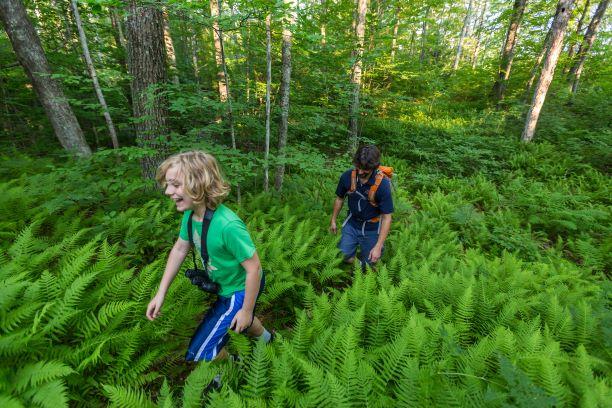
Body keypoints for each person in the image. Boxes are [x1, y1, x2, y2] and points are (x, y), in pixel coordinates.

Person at [146, 151, 272, 363]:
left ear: (198, 183)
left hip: (240, 289)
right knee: (242, 321)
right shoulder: (190, 215)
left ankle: (232, 371)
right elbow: (179, 249)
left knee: (200, 351)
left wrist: (247, 310)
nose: (168, 191)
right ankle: (269, 341)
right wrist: (161, 293)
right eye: (167, 185)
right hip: (226, 286)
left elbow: (254, 269)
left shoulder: (227, 225)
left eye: (175, 185)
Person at [330, 145, 393, 267]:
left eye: (365, 170)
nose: (360, 172)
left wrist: (378, 246)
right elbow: (339, 199)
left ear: (373, 168)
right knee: (342, 255)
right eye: (358, 167)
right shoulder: (347, 177)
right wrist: (333, 220)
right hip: (352, 223)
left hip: (372, 227)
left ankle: (369, 259)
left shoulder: (382, 185)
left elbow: (387, 217)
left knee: (370, 263)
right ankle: (359, 265)